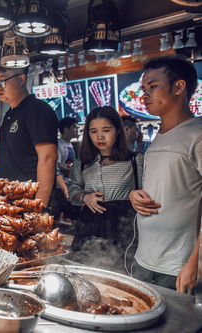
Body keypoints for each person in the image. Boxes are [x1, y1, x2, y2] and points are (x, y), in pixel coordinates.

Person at [129, 56, 201, 293]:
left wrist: (195, 264)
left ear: (179, 87)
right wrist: (134, 196)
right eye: (143, 88)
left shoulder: (197, 134)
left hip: (177, 267)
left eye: (152, 86)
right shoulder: (159, 135)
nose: (144, 95)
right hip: (145, 259)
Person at [68, 106, 143, 267]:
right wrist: (84, 197)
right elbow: (73, 189)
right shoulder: (82, 163)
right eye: (93, 131)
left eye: (106, 130)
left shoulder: (135, 161)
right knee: (85, 270)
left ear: (117, 130)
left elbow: (145, 193)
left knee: (120, 273)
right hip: (89, 224)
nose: (99, 136)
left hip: (123, 226)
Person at [0, 67, 58, 207]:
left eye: (2, 81)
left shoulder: (37, 110)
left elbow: (48, 158)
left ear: (21, 79)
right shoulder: (8, 117)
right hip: (6, 202)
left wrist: (38, 207)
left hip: (28, 202)